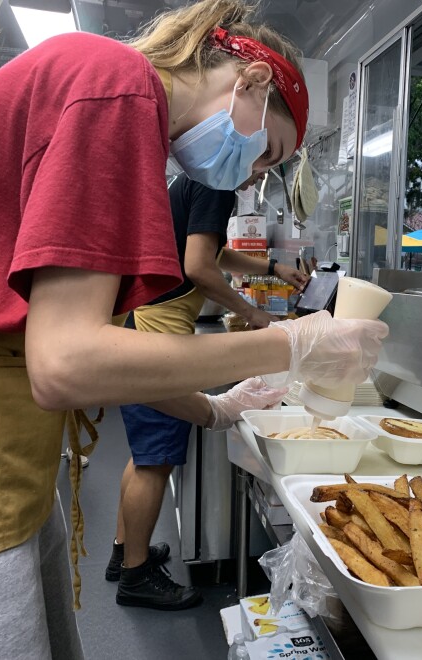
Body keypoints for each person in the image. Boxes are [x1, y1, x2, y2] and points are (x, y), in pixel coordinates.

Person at [0, 1, 388, 657]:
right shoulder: (116, 82)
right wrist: (293, 342)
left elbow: (83, 351)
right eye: (267, 153)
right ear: (251, 81)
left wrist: (217, 409)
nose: (255, 172)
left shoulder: (115, 100)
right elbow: (66, 364)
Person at [108, 174, 308, 610]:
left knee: (144, 455)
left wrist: (273, 269)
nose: (260, 173)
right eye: (265, 154)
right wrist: (251, 313)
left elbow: (213, 255)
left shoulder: (196, 182)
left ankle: (125, 552)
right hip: (156, 332)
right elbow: (197, 268)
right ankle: (136, 576)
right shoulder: (215, 185)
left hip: (142, 320)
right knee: (155, 462)